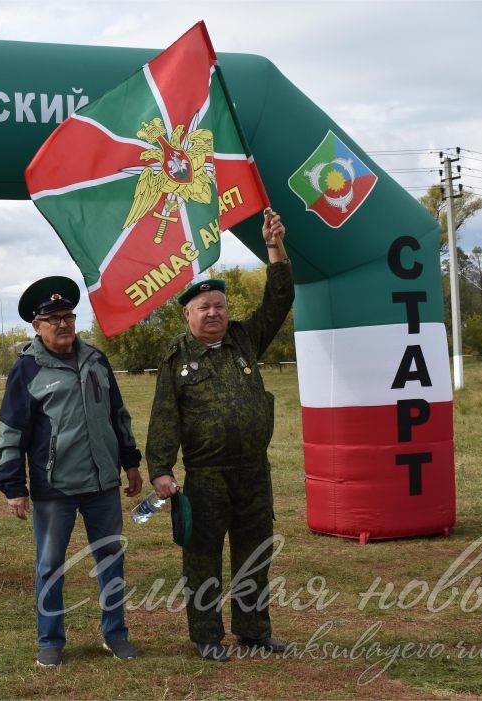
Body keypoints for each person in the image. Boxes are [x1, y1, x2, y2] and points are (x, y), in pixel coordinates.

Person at [145, 209, 295, 662]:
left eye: (220, 306)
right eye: (204, 307)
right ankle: (207, 636)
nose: (214, 313)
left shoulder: (246, 339)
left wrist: (274, 247)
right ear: (188, 313)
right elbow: (164, 416)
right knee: (203, 557)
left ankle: (253, 630)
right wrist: (160, 470)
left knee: (255, 553)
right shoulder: (177, 358)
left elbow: (280, 298)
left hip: (253, 473)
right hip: (206, 477)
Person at [0, 276, 144, 668]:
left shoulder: (97, 360)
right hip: (53, 488)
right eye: (53, 318)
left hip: (102, 484)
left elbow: (118, 414)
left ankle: (115, 635)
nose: (63, 324)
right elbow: (11, 431)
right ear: (36, 326)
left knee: (111, 557)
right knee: (50, 566)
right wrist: (13, 485)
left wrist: (130, 461)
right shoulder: (26, 370)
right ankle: (50, 640)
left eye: (68, 316)